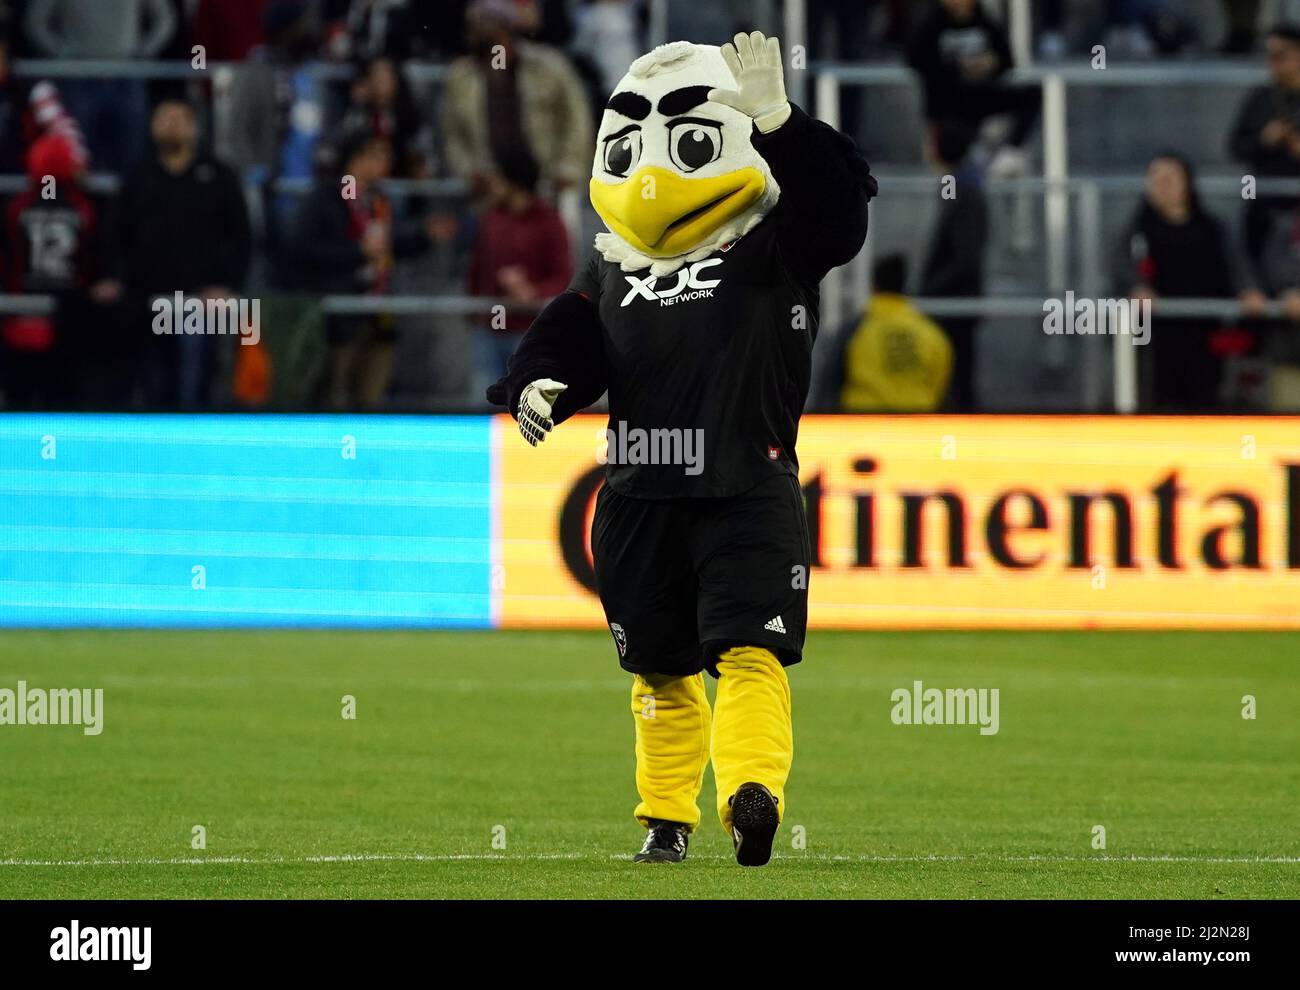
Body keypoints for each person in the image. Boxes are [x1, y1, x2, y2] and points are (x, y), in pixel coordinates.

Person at [488, 33, 875, 866]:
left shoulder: (776, 240)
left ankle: (750, 794)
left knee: (750, 651)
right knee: (659, 671)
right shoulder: (612, 265)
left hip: (747, 482)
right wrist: (536, 382)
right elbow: (567, 333)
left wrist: (781, 123)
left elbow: (841, 216)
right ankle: (666, 821)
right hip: (637, 494)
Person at [106, 99, 252, 409]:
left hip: (200, 302)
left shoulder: (218, 175)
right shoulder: (138, 177)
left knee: (194, 386)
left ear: (195, 127)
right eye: (164, 117)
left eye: (179, 118)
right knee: (151, 389)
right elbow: (114, 234)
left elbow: (241, 236)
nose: (172, 124)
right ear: (151, 125)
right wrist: (112, 278)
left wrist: (227, 286)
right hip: (146, 298)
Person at [1114, 152, 1263, 411]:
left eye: (1170, 177)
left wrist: (1249, 290)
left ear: (1187, 183)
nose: (1163, 184)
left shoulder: (1213, 229)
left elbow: (1237, 266)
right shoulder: (1138, 234)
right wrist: (1137, 289)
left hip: (1208, 337)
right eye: (1156, 178)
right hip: (1157, 343)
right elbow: (1125, 271)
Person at [293, 130, 429, 410]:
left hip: (379, 315)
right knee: (334, 397)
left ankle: (365, 452)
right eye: (379, 156)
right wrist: (357, 253)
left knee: (372, 399)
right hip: (341, 315)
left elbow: (393, 244)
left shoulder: (380, 200)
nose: (387, 162)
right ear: (357, 160)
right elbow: (302, 251)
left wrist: (424, 235)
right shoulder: (325, 197)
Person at [439, 0, 592, 194]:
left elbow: (576, 118)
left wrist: (569, 167)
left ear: (506, 30)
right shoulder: (461, 77)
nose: (476, 32)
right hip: (492, 189)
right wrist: (471, 173)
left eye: (486, 26)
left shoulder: (549, 66)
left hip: (549, 181)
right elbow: (453, 135)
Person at [466, 148, 572, 407]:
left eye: (498, 178)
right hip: (487, 329)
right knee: (481, 403)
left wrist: (532, 292)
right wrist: (472, 311)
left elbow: (562, 275)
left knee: (526, 405)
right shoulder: (490, 218)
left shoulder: (549, 221)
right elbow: (477, 267)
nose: (492, 184)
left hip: (528, 332)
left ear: (514, 181)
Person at [0, 134, 100, 408]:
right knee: (61, 405)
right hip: (64, 317)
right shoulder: (83, 207)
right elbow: (89, 263)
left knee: (19, 405)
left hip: (23, 316)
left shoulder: (17, 207)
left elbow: (9, 260)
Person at [905, 0, 1039, 174]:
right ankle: (951, 193)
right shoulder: (931, 22)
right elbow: (915, 59)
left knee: (1032, 94)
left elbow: (1007, 59)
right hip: (946, 106)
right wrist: (959, 66)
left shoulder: (983, 20)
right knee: (949, 171)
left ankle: (1010, 153)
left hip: (980, 97)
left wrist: (990, 63)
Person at [920, 118, 987, 411]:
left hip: (955, 306)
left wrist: (928, 293)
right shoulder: (958, 186)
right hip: (948, 301)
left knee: (958, 385)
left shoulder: (966, 191)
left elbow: (965, 258)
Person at [839, 255, 953, 412]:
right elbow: (942, 382)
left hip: (865, 423)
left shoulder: (857, 329)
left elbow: (833, 380)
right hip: (917, 423)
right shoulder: (931, 333)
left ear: (874, 286)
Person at [1229, 25, 1300, 267]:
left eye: (1280, 55)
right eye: (1269, 56)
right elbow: (1235, 147)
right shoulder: (1261, 98)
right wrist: (1264, 139)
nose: (1273, 63)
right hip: (1264, 206)